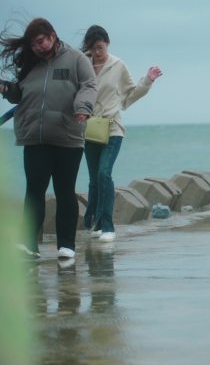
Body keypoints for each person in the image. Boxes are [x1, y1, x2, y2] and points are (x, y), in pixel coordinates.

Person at [0, 18, 98, 259]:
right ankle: (29, 245)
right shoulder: (32, 64)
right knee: (34, 190)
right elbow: (20, 95)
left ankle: (67, 245)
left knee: (64, 190)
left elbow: (89, 85)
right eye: (33, 44)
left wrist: (83, 106)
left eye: (41, 41)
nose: (38, 47)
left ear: (53, 36)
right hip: (35, 137)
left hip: (68, 136)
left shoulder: (76, 59)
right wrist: (5, 88)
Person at [80, 25, 162, 242]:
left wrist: (148, 80)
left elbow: (130, 95)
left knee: (103, 174)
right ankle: (93, 223)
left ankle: (108, 226)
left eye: (100, 47)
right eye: (93, 48)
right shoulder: (82, 64)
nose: (97, 52)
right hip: (89, 129)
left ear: (107, 43)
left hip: (113, 128)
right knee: (93, 180)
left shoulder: (118, 65)